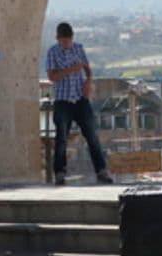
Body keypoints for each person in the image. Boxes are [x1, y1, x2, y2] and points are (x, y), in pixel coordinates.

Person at [45, 22, 112, 185]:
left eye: (69, 40)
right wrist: (71, 69)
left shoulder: (78, 48)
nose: (67, 44)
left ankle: (101, 170)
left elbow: (87, 68)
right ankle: (60, 172)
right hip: (63, 100)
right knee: (61, 138)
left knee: (92, 136)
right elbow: (52, 76)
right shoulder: (52, 52)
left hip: (80, 99)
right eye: (64, 41)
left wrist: (88, 81)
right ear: (58, 39)